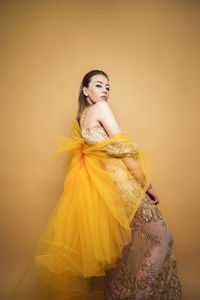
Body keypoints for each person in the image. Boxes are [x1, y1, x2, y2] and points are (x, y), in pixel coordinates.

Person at [11, 70, 182, 300]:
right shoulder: (100, 110)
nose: (105, 92)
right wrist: (146, 183)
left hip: (107, 192)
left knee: (120, 252)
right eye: (99, 85)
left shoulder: (81, 118)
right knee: (162, 237)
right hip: (123, 186)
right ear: (85, 90)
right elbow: (122, 149)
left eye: (108, 87)